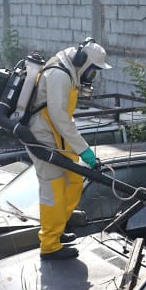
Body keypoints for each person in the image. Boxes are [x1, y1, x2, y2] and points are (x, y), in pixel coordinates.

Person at [25, 38, 112, 260]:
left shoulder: (69, 70)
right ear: (83, 61)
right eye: (92, 71)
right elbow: (58, 116)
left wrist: (81, 150)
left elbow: (63, 119)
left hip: (57, 135)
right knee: (53, 190)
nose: (91, 76)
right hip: (42, 137)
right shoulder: (59, 74)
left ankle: (59, 228)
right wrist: (84, 150)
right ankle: (50, 245)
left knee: (74, 180)